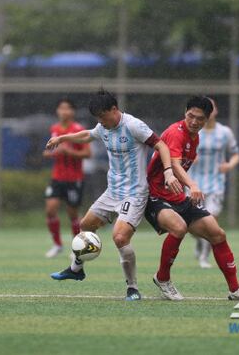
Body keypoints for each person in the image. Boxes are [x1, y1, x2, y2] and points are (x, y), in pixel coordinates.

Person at [47, 89, 182, 301]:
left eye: (103, 116)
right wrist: (62, 138)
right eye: (98, 119)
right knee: (85, 225)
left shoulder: (133, 126)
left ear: (114, 109)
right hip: (112, 191)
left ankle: (132, 288)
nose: (101, 122)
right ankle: (76, 269)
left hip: (134, 193)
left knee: (120, 237)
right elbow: (88, 135)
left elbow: (161, 145)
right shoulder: (103, 126)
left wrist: (168, 172)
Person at [145, 96, 239, 301]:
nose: (193, 121)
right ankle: (162, 278)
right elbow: (175, 164)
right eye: (190, 116)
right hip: (155, 195)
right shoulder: (176, 133)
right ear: (185, 112)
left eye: (199, 118)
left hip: (177, 197)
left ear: (207, 119)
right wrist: (192, 185)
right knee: (179, 228)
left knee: (217, 234)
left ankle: (235, 290)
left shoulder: (195, 137)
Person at [189, 97, 239, 268]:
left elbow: (235, 154)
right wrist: (189, 157)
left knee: (211, 221)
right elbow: (180, 151)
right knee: (192, 225)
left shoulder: (224, 132)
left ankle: (204, 258)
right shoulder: (194, 131)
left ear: (215, 111)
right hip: (194, 184)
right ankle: (199, 240)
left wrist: (229, 165)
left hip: (216, 183)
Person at [42, 99, 91, 258]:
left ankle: (77, 247)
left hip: (74, 179)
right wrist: (51, 153)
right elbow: (47, 151)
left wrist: (69, 152)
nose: (64, 111)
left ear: (73, 112)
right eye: (61, 108)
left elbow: (87, 153)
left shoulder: (78, 130)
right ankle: (57, 245)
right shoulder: (54, 129)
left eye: (67, 108)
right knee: (50, 210)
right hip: (57, 177)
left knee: (73, 215)